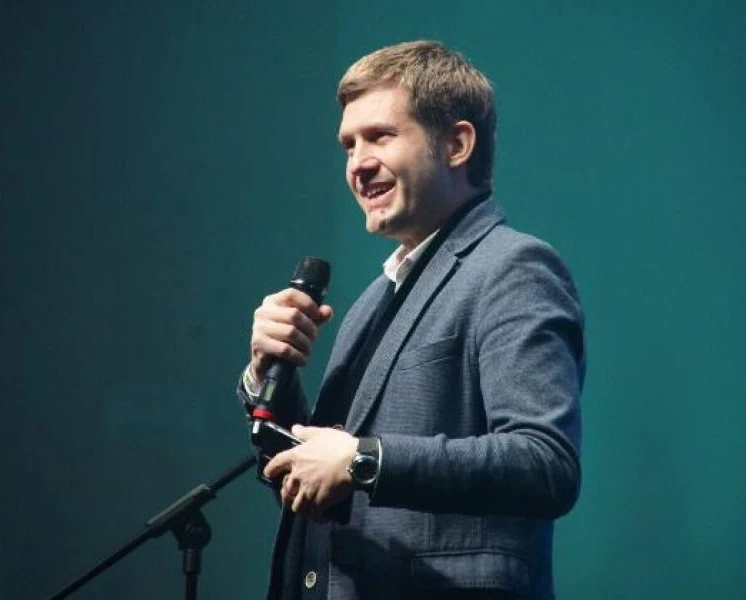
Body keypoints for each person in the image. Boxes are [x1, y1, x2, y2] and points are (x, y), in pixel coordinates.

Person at [238, 40, 584, 600]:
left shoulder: (513, 268)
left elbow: (544, 464)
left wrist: (364, 460)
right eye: (349, 145)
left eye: (380, 136)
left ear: (457, 144)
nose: (358, 163)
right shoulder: (373, 301)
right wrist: (266, 375)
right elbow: (311, 474)